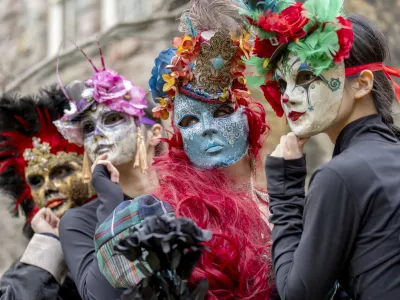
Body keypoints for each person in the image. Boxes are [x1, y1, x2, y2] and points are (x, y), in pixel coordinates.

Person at [94, 1, 275, 299]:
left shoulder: (281, 203)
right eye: (189, 120)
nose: (206, 128)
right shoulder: (162, 213)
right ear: (178, 135)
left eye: (220, 111)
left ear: (246, 115)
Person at [243, 0, 400, 299]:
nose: (288, 97)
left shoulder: (341, 176)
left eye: (305, 77)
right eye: (282, 84)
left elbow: (297, 294)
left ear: (362, 84)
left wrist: (286, 191)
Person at [54, 43, 163, 300]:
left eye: (113, 119)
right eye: (89, 128)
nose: (99, 135)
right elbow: (99, 296)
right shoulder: (79, 223)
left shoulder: (191, 194)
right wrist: (111, 209)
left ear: (154, 133)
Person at [0, 86, 94, 300]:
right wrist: (49, 249)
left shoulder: (136, 230)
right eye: (36, 181)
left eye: (61, 171)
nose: (48, 188)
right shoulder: (33, 272)